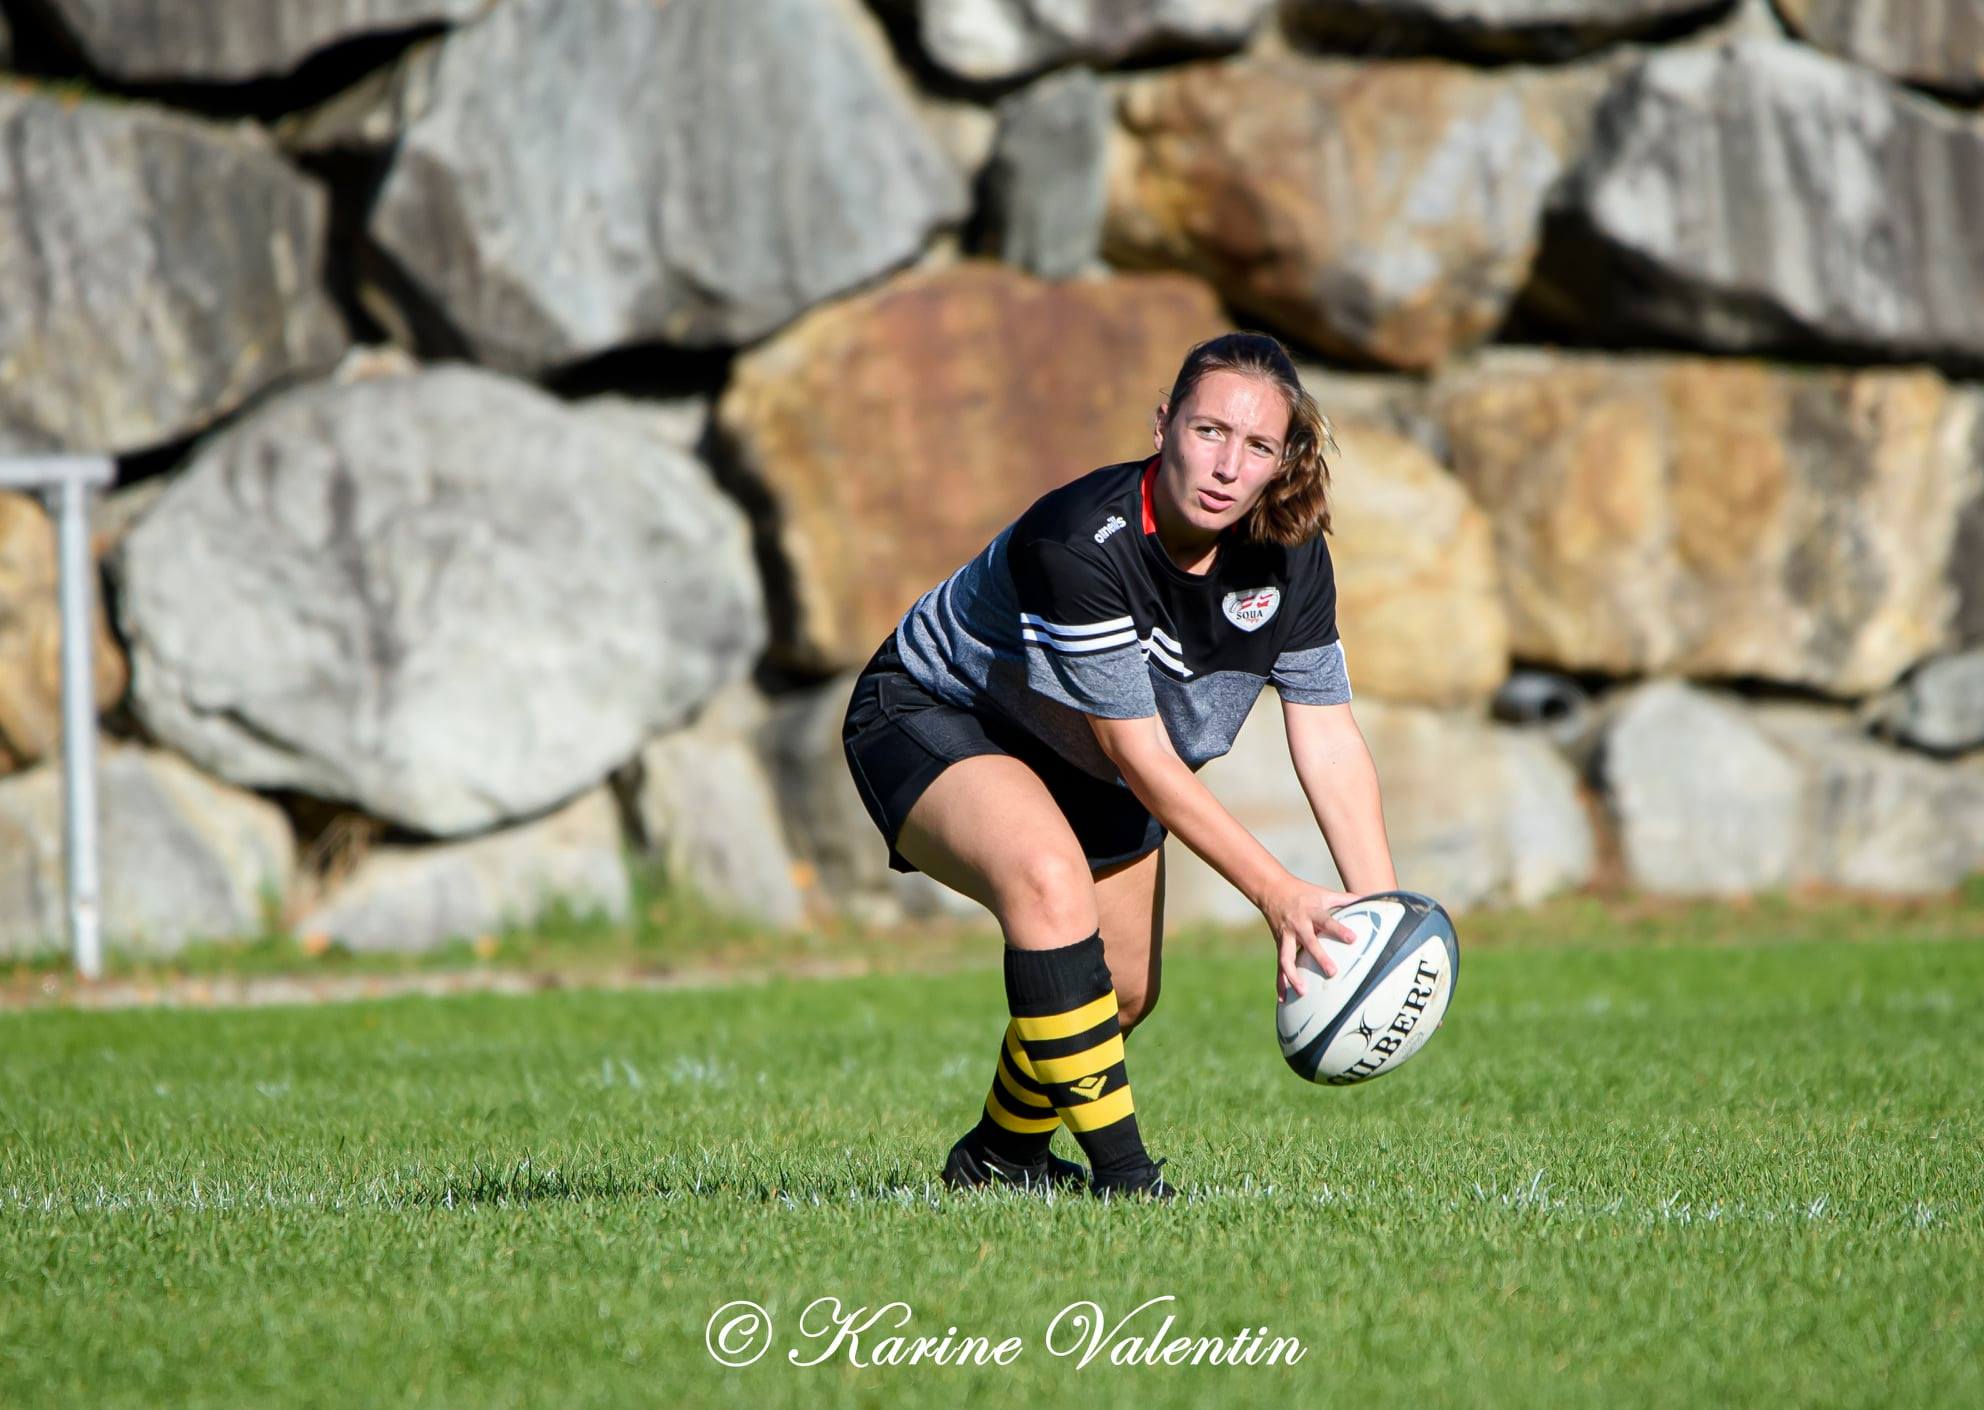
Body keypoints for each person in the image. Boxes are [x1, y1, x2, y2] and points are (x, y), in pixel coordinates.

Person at [840, 331, 1397, 1201]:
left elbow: (1325, 731)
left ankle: (998, 1160)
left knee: (1123, 994)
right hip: (935, 711)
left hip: (1094, 757)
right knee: (1048, 881)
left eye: (1255, 447)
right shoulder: (1081, 540)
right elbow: (1139, 756)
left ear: (1282, 461)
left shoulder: (1290, 553)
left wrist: (1378, 917)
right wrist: (1279, 894)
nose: (1225, 467)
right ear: (1164, 424)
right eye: (1209, 431)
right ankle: (1131, 1183)